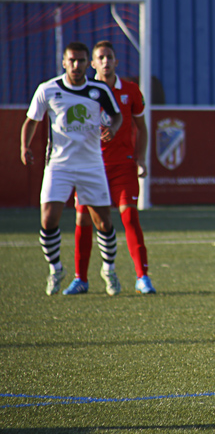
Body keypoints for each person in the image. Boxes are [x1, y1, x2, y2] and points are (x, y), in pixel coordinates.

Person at [20, 41, 123, 296]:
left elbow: (117, 115)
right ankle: (56, 269)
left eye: (81, 61)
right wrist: (24, 146)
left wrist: (114, 127)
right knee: (48, 219)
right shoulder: (48, 89)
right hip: (59, 165)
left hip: (91, 165)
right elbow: (31, 121)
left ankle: (108, 270)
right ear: (64, 63)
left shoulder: (99, 89)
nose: (76, 65)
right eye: (72, 61)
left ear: (89, 64)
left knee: (104, 222)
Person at [65, 41, 155, 295]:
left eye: (109, 57)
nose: (105, 61)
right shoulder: (80, 91)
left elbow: (142, 127)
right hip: (89, 167)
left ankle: (142, 278)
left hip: (123, 166)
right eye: (100, 57)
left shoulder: (130, 90)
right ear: (92, 63)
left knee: (129, 216)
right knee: (82, 218)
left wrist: (141, 159)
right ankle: (80, 278)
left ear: (116, 62)